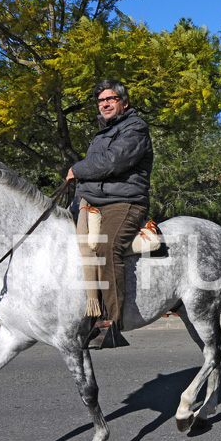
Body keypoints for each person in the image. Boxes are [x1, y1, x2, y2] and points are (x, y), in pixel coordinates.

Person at [66, 79, 153, 349]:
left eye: (110, 99)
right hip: (95, 202)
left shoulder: (135, 127)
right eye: (101, 100)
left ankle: (111, 323)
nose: (104, 103)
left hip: (125, 201)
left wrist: (77, 169)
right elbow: (95, 172)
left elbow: (113, 162)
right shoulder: (101, 134)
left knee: (107, 247)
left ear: (123, 103)